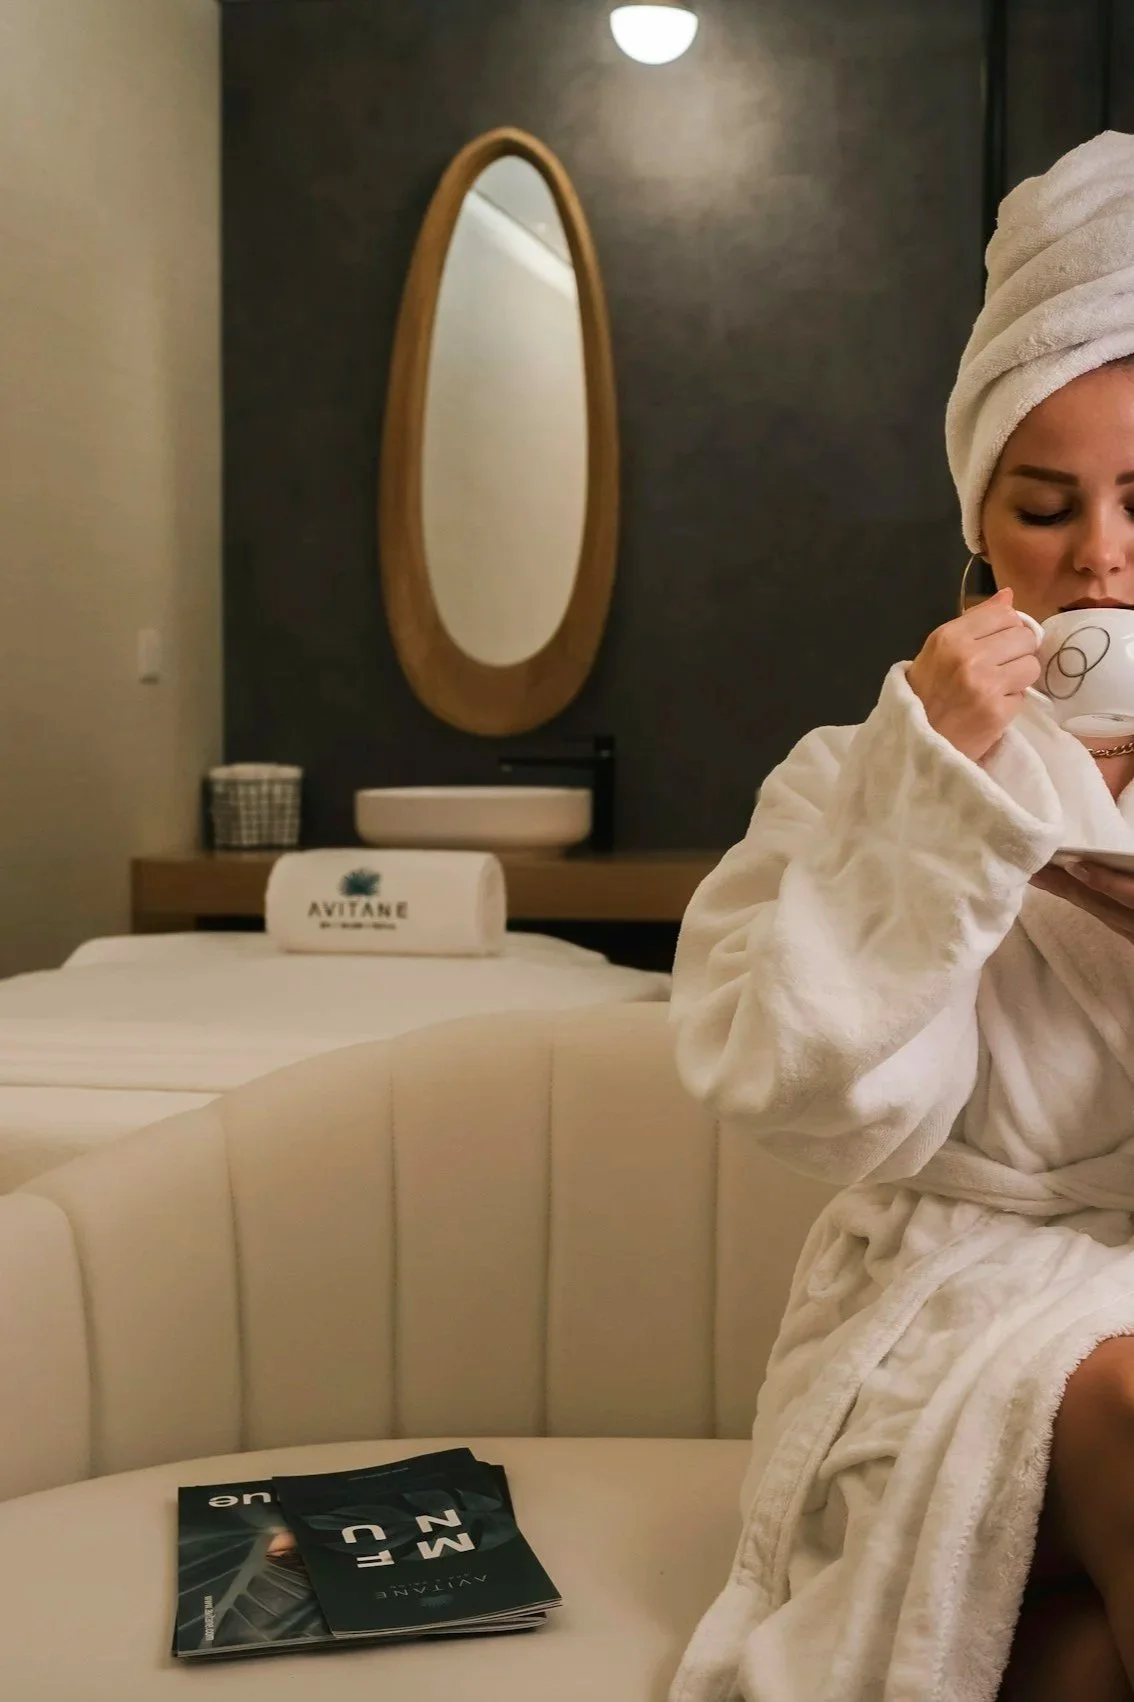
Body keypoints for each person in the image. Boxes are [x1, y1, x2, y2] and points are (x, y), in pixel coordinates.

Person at [668, 132, 1134, 1702]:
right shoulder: (860, 777)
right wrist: (942, 794)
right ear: (978, 535)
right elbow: (825, 1103)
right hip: (956, 1295)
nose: (1101, 558)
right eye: (1045, 505)